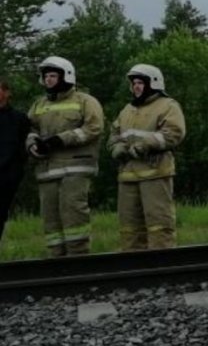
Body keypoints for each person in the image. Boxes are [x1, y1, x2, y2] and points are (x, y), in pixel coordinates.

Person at [25, 56, 104, 256]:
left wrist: (59, 140)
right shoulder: (38, 104)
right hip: (46, 171)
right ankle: (56, 264)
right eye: (46, 76)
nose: (48, 80)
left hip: (75, 170)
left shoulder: (85, 101)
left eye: (53, 75)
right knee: (50, 221)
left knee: (74, 217)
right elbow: (29, 129)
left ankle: (78, 261)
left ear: (67, 76)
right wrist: (33, 145)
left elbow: (93, 129)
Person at [109, 64, 186, 250]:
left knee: (159, 226)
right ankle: (134, 270)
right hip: (127, 177)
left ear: (153, 84)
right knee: (129, 229)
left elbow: (174, 132)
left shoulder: (168, 106)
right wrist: (116, 148)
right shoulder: (127, 110)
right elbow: (114, 135)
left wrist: (146, 145)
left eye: (140, 83)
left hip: (155, 174)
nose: (136, 87)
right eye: (134, 83)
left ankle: (161, 267)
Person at [0, 77, 31, 244]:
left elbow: (23, 149)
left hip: (6, 179)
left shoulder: (19, 119)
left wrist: (14, 174)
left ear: (6, 93)